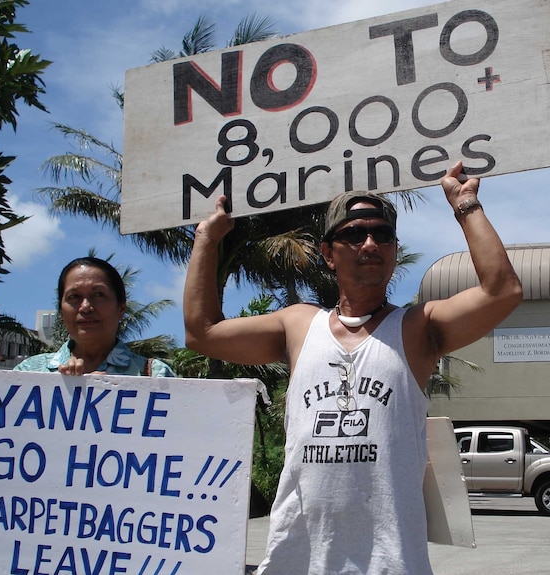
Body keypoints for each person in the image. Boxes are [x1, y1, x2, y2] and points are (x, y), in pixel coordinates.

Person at [184, 161, 522, 575]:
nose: (370, 243)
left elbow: (503, 291)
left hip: (392, 564)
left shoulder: (418, 328)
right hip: (296, 562)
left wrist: (466, 204)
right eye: (354, 233)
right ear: (328, 253)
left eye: (383, 235)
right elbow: (202, 332)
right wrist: (206, 238)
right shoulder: (296, 325)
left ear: (394, 251)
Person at [15, 257, 175, 377]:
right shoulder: (29, 373)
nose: (85, 307)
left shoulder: (156, 375)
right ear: (61, 312)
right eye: (74, 297)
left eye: (98, 294)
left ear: (121, 308)